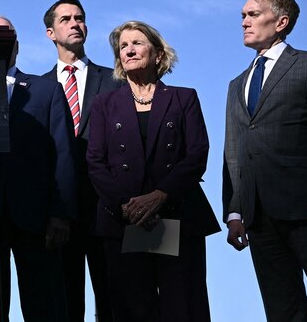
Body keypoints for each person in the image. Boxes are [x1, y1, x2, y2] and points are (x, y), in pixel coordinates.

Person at [223, 0, 307, 320]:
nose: (244, 22)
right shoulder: (237, 84)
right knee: (282, 311)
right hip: (259, 217)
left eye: (253, 15)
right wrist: (235, 211)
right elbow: (234, 152)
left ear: (281, 22)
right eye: (243, 16)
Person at [86, 21, 219, 322]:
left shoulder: (184, 97)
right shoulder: (105, 104)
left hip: (177, 216)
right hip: (123, 221)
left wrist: (159, 196)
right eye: (123, 46)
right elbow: (95, 161)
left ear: (158, 54)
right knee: (132, 310)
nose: (129, 50)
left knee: (182, 308)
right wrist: (128, 206)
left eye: (137, 43)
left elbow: (196, 154)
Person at [0, 16, 75, 322]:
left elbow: (63, 153)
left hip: (37, 220)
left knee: (45, 307)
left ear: (17, 45)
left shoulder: (47, 90)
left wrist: (60, 213)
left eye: (5, 35)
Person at [42, 0, 122, 322]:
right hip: (59, 211)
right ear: (50, 33)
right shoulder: (39, 88)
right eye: (66, 19)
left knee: (114, 299)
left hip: (108, 206)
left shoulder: (116, 81)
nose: (75, 24)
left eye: (80, 18)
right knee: (65, 302)